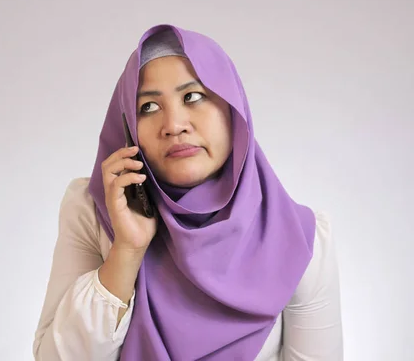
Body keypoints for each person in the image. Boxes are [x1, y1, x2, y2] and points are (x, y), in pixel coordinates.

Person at [33, 25, 343, 360]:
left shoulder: (300, 238)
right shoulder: (95, 210)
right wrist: (127, 251)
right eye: (148, 107)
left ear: (232, 109)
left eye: (192, 97)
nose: (174, 124)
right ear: (127, 127)